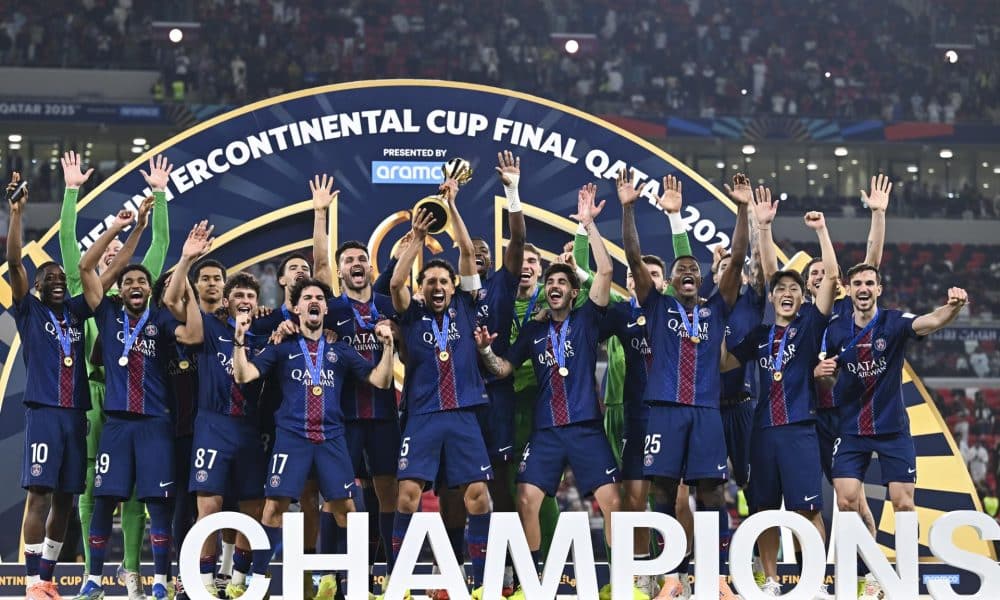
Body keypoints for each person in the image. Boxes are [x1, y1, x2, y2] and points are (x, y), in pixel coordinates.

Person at [477, 183, 630, 598]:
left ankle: (624, 584)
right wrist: (487, 352)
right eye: (551, 282)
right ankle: (533, 583)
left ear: (574, 291)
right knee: (526, 496)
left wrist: (589, 226)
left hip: (585, 427)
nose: (556, 286)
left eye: (563, 281)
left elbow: (605, 272)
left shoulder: (586, 321)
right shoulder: (535, 329)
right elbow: (505, 367)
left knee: (613, 501)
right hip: (546, 430)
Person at [622, 173, 750, 599]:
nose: (690, 272)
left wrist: (744, 209)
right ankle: (672, 575)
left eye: (695, 269)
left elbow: (738, 258)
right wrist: (628, 208)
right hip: (664, 410)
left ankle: (714, 575)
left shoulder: (716, 309)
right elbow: (634, 257)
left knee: (712, 491)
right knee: (662, 489)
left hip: (707, 412)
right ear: (671, 281)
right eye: (682, 269)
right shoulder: (656, 306)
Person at [231, 278, 395, 597]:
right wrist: (239, 340)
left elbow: (381, 381)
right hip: (292, 438)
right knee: (273, 509)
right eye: (307, 297)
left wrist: (388, 346)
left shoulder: (340, 349)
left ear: (325, 307)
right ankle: (254, 585)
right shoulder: (282, 347)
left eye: (320, 297)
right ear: (296, 307)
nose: (314, 301)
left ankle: (355, 586)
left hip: (332, 438)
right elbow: (244, 375)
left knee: (347, 510)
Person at [7, 174, 130, 600]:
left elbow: (108, 276)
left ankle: (47, 576)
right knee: (39, 496)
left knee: (65, 499)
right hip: (43, 413)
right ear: (37, 287)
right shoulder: (29, 311)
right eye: (50, 277)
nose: (59, 280)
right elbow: (13, 266)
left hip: (75, 415)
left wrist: (121, 231)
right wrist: (17, 214)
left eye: (62, 277)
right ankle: (29, 582)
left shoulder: (76, 314)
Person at [59, 152, 171, 600]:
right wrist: (71, 192)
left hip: (136, 396)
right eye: (113, 270)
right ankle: (93, 573)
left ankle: (131, 573)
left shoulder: (135, 302)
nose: (117, 274)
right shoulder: (84, 293)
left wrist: (154, 207)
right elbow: (71, 244)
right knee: (95, 487)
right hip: (92, 395)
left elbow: (158, 253)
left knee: (139, 494)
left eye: (123, 272)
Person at [74, 214, 203, 600]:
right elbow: (85, 267)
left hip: (155, 426)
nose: (134, 285)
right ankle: (93, 581)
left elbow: (194, 334)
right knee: (104, 500)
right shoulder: (108, 313)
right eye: (127, 281)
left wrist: (187, 267)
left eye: (141, 281)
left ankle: (160, 583)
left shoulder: (162, 321)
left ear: (149, 290)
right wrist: (122, 231)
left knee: (157, 505)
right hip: (116, 425)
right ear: (119, 288)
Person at [821, 264, 968, 600]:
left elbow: (930, 321)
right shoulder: (836, 329)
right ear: (849, 288)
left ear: (878, 289)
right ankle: (853, 575)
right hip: (852, 428)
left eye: (869, 283)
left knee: (903, 503)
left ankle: (901, 578)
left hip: (892, 429)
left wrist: (953, 308)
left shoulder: (894, 322)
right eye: (857, 283)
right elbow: (824, 373)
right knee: (845, 499)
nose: (863, 288)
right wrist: (821, 372)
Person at [388, 176, 493, 599]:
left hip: (465, 413)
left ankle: (480, 582)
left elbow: (467, 252)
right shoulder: (410, 316)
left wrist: (452, 205)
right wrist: (416, 236)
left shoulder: (467, 308)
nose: (437, 286)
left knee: (478, 497)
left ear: (454, 288)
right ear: (422, 288)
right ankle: (397, 582)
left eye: (443, 282)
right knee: (408, 496)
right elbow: (395, 284)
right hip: (424, 415)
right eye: (429, 281)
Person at [731, 196, 839, 600]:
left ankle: (816, 582)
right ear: (773, 298)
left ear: (801, 298)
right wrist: (762, 227)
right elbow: (769, 273)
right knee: (762, 511)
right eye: (782, 290)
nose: (788, 293)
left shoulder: (810, 324)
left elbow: (828, 278)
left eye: (796, 289)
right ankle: (771, 581)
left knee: (807, 509)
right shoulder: (760, 334)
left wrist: (821, 232)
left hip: (799, 429)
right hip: (762, 431)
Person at [434, 151, 526, 598]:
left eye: (490, 252)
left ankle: (506, 573)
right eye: (476, 253)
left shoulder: (504, 286)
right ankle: (452, 570)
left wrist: (512, 191)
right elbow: (465, 249)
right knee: (457, 486)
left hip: (499, 396)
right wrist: (447, 204)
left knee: (501, 486)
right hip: (461, 400)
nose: (483, 255)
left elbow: (518, 243)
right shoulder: (457, 296)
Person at [325, 234, 400, 590]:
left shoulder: (388, 305)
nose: (356, 264)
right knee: (338, 495)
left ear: (370, 267)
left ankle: (393, 574)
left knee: (389, 491)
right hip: (344, 415)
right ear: (339, 271)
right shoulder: (331, 309)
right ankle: (336, 577)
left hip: (384, 413)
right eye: (349, 260)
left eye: (361, 259)